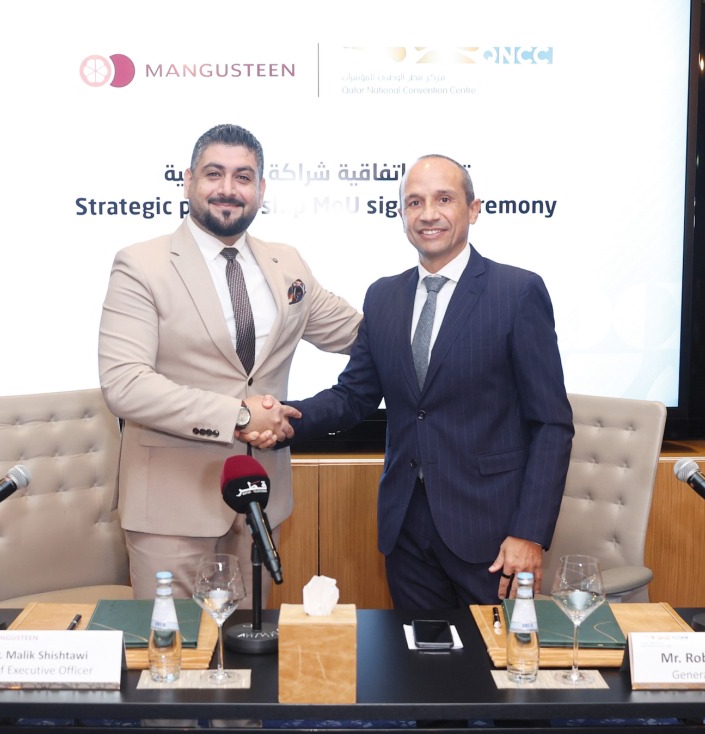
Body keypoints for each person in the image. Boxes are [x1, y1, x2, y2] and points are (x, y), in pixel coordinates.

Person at [283, 154, 573, 608]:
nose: (428, 214)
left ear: (473, 209)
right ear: (402, 215)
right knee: (419, 668)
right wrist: (286, 419)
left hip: (493, 536)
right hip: (406, 531)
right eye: (414, 202)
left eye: (444, 199)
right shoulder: (384, 296)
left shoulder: (516, 293)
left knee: (495, 671)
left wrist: (529, 533)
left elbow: (551, 424)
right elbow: (354, 396)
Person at [98, 123, 361, 603]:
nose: (227, 188)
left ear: (261, 189)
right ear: (188, 181)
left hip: (260, 505)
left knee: (251, 663)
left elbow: (360, 335)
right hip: (171, 514)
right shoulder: (141, 265)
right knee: (173, 663)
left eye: (243, 177)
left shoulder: (288, 264)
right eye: (213, 173)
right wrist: (238, 416)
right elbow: (126, 384)